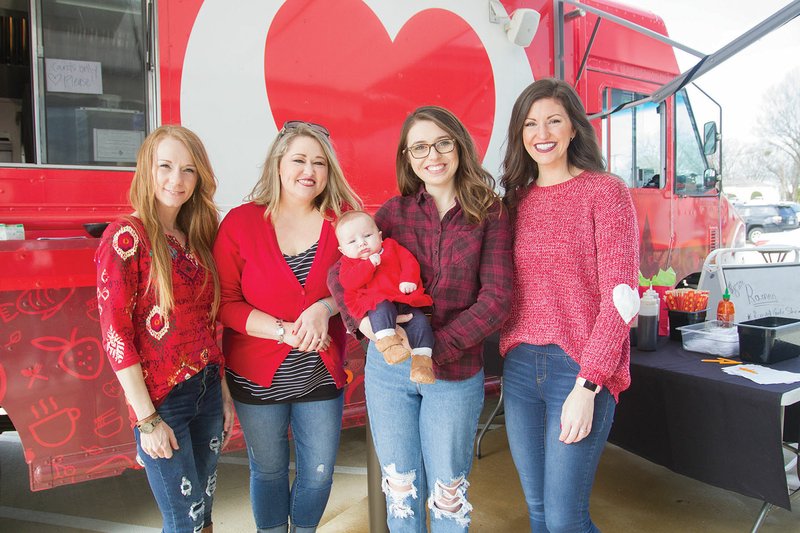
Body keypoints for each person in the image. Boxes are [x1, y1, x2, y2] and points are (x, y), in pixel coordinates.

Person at [329, 106, 513, 531]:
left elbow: (497, 298)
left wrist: (433, 350)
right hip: (389, 372)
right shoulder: (395, 212)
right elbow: (339, 272)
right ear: (408, 158)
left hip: (455, 371)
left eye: (443, 142)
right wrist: (368, 328)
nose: (433, 155)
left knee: (448, 499)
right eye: (419, 147)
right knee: (400, 492)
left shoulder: (489, 213)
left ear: (460, 146)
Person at [499, 78, 639, 532]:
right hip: (520, 368)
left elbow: (621, 299)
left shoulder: (606, 192)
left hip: (578, 370)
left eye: (554, 120)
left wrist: (588, 385)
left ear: (574, 128)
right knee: (538, 512)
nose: (543, 132)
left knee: (564, 519)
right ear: (520, 134)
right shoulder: (514, 202)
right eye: (531, 123)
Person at [212, 121, 361, 533]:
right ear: (278, 165)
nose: (308, 170)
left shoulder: (342, 224)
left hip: (320, 373)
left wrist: (323, 307)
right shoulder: (241, 223)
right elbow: (223, 303)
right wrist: (282, 331)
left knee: (318, 473)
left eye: (319, 162)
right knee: (269, 471)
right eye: (298, 159)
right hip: (256, 376)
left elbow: (360, 284)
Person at [96, 125, 234, 533]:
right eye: (166, 166)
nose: (177, 180)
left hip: (207, 388)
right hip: (163, 403)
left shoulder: (196, 236)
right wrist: (146, 419)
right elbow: (115, 334)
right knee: (184, 520)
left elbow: (207, 321)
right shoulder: (125, 236)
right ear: (147, 169)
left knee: (203, 514)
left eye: (189, 170)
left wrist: (222, 389)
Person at [335, 210, 436, 384]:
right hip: (376, 302)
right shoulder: (348, 264)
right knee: (381, 309)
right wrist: (368, 265)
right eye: (352, 241)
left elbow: (409, 262)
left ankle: (423, 362)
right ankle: (390, 345)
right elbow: (350, 282)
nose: (362, 243)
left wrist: (408, 279)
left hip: (404, 299)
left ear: (380, 236)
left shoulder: (392, 247)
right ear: (342, 250)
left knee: (420, 322)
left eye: (367, 235)